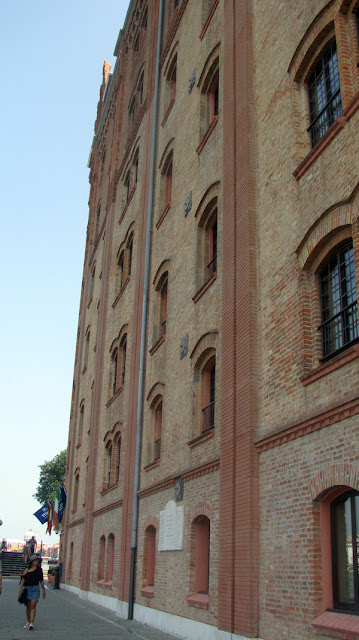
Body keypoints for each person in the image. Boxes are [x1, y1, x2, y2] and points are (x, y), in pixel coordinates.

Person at [19, 554, 45, 630]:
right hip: (27, 589)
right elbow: (23, 579)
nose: (36, 562)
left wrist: (43, 590)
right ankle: (28, 621)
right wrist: (21, 587)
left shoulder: (39, 570)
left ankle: (31, 623)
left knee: (33, 605)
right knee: (28, 606)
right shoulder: (27, 569)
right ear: (32, 562)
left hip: (35, 589)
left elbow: (41, 581)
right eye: (35, 561)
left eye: (37, 561)